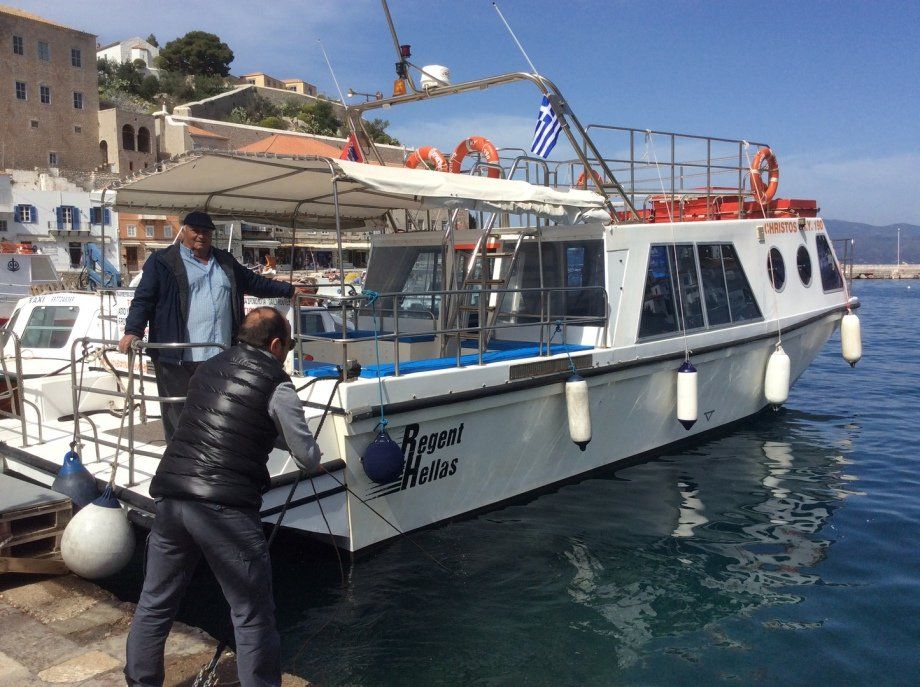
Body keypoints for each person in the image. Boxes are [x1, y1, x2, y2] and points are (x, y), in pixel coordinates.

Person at [124, 307, 322, 687]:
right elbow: (307, 457)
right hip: (224, 506)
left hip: (171, 494)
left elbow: (220, 421)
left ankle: (140, 681)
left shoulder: (209, 367)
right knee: (251, 614)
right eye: (290, 345)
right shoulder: (277, 384)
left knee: (155, 601)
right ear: (277, 344)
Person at [119, 211, 295, 439]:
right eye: (195, 230)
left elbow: (255, 283)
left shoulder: (225, 261)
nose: (201, 236)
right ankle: (178, 463)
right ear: (184, 231)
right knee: (179, 416)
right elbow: (144, 299)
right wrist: (132, 331)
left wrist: (290, 290)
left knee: (218, 415)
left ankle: (212, 459)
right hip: (178, 358)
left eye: (206, 232)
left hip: (220, 356)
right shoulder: (162, 261)